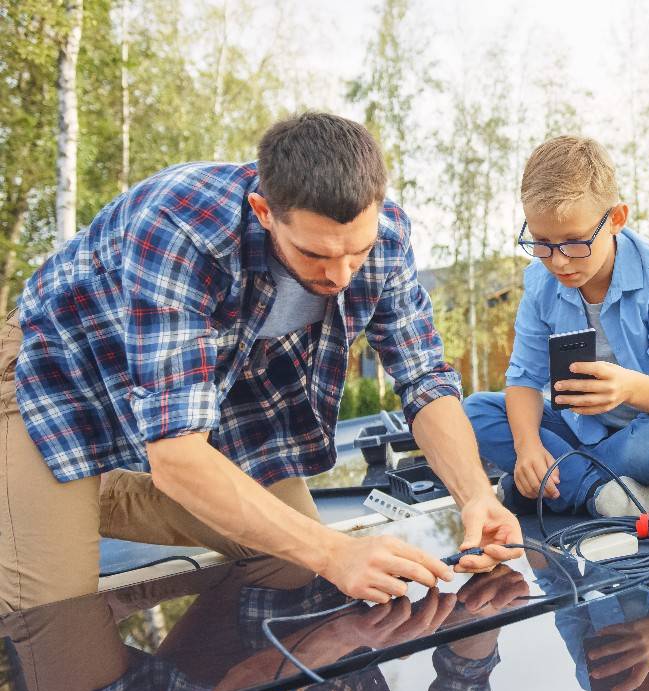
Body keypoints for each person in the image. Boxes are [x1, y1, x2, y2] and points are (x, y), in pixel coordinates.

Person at [0, 112, 522, 613]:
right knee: (57, 628)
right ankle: (45, 493)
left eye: (355, 252)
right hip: (53, 375)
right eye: (315, 254)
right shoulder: (178, 227)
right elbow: (179, 453)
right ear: (264, 212)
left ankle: (92, 494)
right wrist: (335, 552)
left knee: (290, 565)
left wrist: (476, 496)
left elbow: (424, 377)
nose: (340, 275)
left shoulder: (386, 237)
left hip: (223, 383)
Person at [464, 136, 649, 517]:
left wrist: (626, 388)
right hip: (591, 428)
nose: (558, 262)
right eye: (541, 243)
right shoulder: (540, 284)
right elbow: (524, 378)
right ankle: (600, 492)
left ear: (616, 219)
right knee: (475, 413)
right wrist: (526, 448)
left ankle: (562, 479)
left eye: (574, 242)